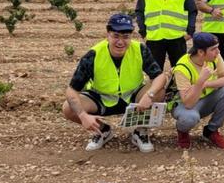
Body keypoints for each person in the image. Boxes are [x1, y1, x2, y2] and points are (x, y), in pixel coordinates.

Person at [62, 14, 168, 153]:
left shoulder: (140, 50)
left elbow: (160, 76)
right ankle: (102, 131)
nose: (120, 42)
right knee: (68, 108)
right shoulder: (93, 55)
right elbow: (71, 90)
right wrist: (82, 115)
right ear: (108, 35)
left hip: (133, 98)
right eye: (116, 36)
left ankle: (140, 130)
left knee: (159, 90)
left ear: (131, 37)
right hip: (101, 98)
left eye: (126, 37)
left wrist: (149, 95)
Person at [171, 32, 224, 149]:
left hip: (206, 100)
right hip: (185, 105)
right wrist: (200, 81)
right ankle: (182, 132)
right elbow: (188, 103)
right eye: (213, 49)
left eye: (217, 48)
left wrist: (206, 84)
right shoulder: (182, 68)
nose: (218, 52)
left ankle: (211, 131)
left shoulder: (214, 57)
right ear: (201, 52)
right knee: (189, 119)